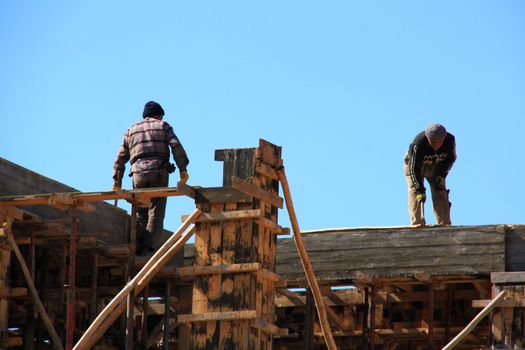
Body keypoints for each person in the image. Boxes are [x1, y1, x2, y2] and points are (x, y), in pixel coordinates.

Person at [112, 101, 189, 255]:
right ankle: (146, 248)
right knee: (156, 212)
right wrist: (182, 169)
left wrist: (117, 181)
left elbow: (120, 158)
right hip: (158, 173)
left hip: (138, 175)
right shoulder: (163, 126)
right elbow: (175, 145)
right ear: (158, 115)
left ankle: (137, 245)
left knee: (141, 212)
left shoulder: (131, 130)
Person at [404, 123, 456, 226]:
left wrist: (442, 175)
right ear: (427, 137)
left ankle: (444, 224)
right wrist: (420, 189)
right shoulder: (418, 143)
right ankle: (417, 223)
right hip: (414, 166)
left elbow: (451, 159)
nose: (436, 145)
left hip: (436, 165)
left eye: (439, 142)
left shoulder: (450, 140)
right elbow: (413, 168)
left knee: (439, 189)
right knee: (415, 191)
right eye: (433, 142)